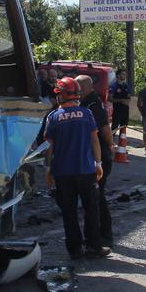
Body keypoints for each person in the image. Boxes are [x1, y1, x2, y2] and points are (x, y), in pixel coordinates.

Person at [43, 77, 105, 260]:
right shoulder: (86, 113)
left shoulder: (53, 117)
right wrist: (98, 163)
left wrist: (48, 169)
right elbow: (95, 140)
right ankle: (94, 247)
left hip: (62, 173)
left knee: (68, 212)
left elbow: (49, 147)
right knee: (91, 210)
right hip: (85, 170)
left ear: (60, 95)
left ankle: (75, 249)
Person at [77, 74, 114, 251]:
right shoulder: (86, 103)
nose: (76, 91)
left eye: (78, 87)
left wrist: (110, 147)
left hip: (99, 157)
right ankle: (95, 235)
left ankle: (104, 235)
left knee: (97, 198)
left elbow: (105, 131)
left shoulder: (93, 105)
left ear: (85, 87)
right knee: (93, 198)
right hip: (91, 156)